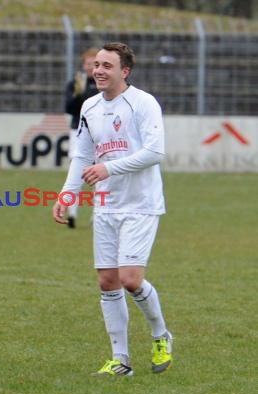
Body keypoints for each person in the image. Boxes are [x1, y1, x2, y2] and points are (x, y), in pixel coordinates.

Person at [52, 42, 173, 376]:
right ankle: (121, 360)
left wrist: (109, 168)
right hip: (106, 204)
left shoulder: (143, 103)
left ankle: (161, 335)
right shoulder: (90, 106)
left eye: (107, 65)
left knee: (131, 279)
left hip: (141, 203)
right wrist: (68, 194)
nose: (99, 71)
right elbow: (82, 155)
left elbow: (155, 152)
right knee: (108, 281)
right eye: (97, 65)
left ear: (125, 71)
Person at [64, 47, 100, 229]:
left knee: (98, 174)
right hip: (78, 131)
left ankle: (97, 214)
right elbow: (69, 109)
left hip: (100, 134)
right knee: (76, 170)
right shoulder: (76, 83)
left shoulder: (105, 85)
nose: (90, 67)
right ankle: (72, 214)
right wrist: (78, 94)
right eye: (88, 63)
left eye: (94, 64)